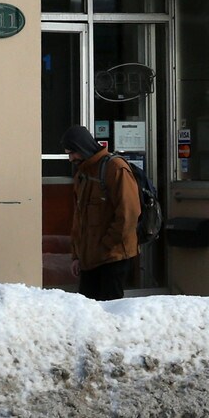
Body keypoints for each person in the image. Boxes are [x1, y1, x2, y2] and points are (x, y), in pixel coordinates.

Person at [66, 124, 140, 302]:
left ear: (82, 147)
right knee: (88, 312)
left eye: (72, 152)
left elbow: (129, 214)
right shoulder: (82, 174)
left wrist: (105, 245)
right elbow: (79, 219)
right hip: (90, 259)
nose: (70, 158)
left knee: (111, 311)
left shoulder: (115, 168)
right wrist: (77, 255)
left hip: (112, 258)